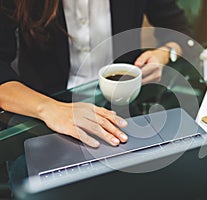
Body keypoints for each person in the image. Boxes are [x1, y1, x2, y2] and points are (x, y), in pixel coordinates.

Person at [0, 0, 192, 148]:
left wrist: (163, 54)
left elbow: (178, 29)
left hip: (125, 108)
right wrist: (49, 109)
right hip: (45, 114)